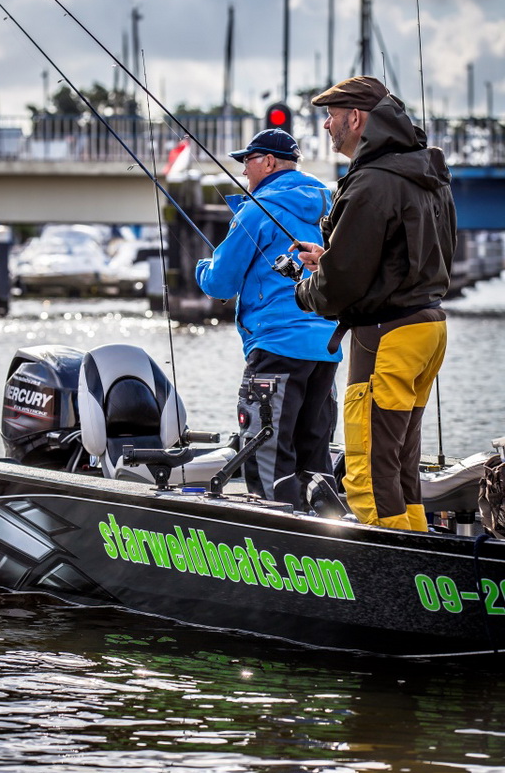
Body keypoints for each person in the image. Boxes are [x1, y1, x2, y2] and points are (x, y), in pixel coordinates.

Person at [293, 75, 457, 532]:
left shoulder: (370, 182)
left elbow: (339, 287)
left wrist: (306, 289)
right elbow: (417, 255)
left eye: (330, 116)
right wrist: (331, 260)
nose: (326, 126)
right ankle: (419, 542)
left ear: (356, 117)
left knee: (366, 463)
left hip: (385, 335)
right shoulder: (427, 173)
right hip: (428, 328)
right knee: (401, 458)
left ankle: (391, 572)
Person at [195, 127, 342, 509]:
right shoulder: (330, 204)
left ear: (270, 162)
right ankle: (327, 539)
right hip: (326, 349)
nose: (244, 171)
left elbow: (220, 283)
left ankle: (278, 547)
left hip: (276, 346)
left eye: (248, 162)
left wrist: (201, 268)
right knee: (316, 453)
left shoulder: (257, 210)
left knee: (268, 455)